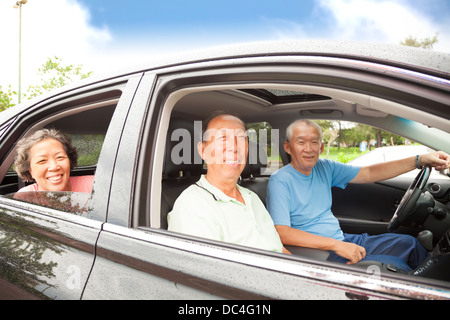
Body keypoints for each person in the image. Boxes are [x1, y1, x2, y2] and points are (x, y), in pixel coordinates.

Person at [266, 119, 450, 270]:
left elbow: (369, 173)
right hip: (320, 251)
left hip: (341, 239)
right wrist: (336, 246)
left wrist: (419, 160)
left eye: (314, 142)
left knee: (409, 245)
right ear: (288, 147)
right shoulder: (280, 181)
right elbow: (282, 233)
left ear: (321, 148)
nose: (308, 148)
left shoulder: (325, 167)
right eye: (301, 142)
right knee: (397, 268)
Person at [168, 113, 288, 254]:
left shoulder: (251, 197)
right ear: (203, 150)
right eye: (223, 138)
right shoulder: (193, 204)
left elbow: (280, 249)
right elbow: (206, 271)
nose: (234, 147)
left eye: (242, 138)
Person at [14, 128, 94, 193]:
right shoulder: (25, 197)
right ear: (30, 171)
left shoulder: (94, 185)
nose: (54, 167)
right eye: (42, 161)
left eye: (60, 157)